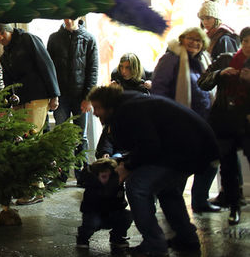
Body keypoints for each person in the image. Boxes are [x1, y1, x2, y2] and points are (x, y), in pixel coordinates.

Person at [87, 84, 219, 255]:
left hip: (188, 151)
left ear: (108, 105)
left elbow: (149, 146)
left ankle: (155, 245)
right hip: (194, 148)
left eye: (97, 108)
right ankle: (187, 239)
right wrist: (126, 162)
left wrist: (127, 166)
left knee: (137, 186)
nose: (95, 112)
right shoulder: (128, 105)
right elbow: (148, 144)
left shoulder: (128, 110)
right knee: (167, 189)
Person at [151, 26, 216, 213]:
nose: (194, 43)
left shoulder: (203, 60)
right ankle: (172, 204)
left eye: (199, 40)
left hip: (203, 121)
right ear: (182, 39)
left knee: (209, 161)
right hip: (179, 122)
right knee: (180, 166)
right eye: (191, 38)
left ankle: (200, 200)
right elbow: (159, 90)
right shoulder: (170, 59)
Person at [197, 26, 250, 224]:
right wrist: (219, 74)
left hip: (247, 122)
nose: (247, 46)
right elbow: (203, 82)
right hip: (224, 120)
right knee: (227, 166)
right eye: (245, 41)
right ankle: (233, 206)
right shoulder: (227, 58)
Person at [47, 19, 98, 170]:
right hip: (60, 96)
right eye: (66, 17)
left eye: (72, 17)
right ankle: (61, 174)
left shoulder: (89, 39)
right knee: (61, 136)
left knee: (80, 137)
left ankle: (82, 173)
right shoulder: (54, 38)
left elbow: (93, 71)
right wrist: (53, 94)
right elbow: (49, 69)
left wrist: (88, 98)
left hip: (80, 96)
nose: (69, 21)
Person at [0, 23, 60, 134]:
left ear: (10, 31)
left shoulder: (28, 39)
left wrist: (54, 94)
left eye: (2, 33)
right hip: (20, 100)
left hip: (37, 96)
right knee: (20, 135)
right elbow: (8, 82)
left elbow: (46, 65)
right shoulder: (5, 56)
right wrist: (5, 106)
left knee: (32, 133)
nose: (0, 38)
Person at [75, 157, 131, 250]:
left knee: (127, 215)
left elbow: (121, 203)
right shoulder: (92, 186)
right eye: (104, 176)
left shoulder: (117, 184)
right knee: (92, 222)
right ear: (96, 176)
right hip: (95, 215)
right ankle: (83, 238)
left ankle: (117, 237)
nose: (108, 180)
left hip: (112, 213)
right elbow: (89, 206)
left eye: (110, 177)